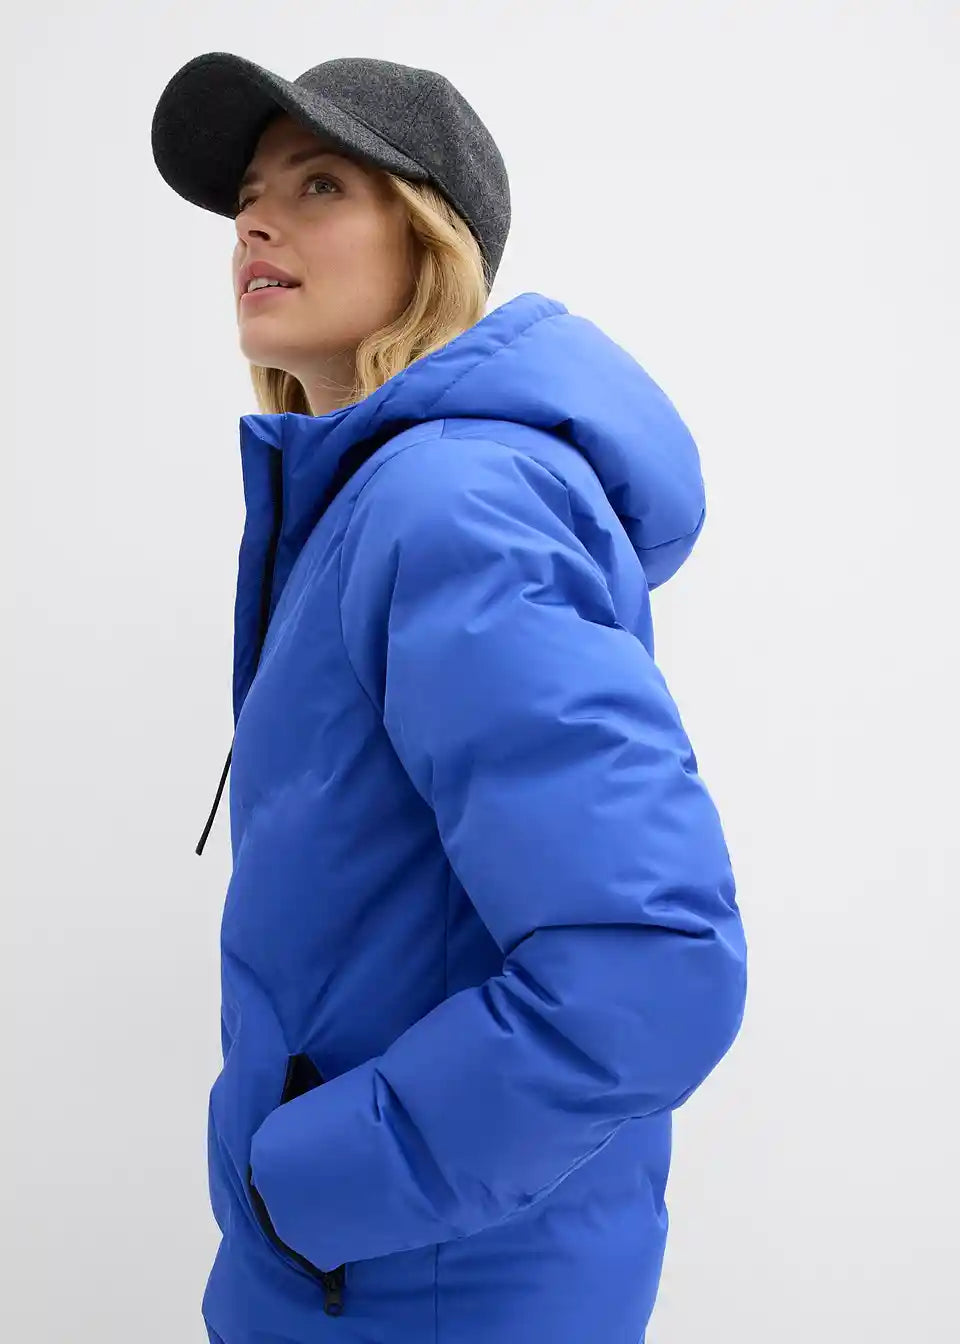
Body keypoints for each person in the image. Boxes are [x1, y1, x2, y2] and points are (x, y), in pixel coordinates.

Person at [151, 52, 748, 1344]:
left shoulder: (449, 505)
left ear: (433, 238)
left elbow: (652, 968)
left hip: (427, 1291)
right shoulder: (367, 507)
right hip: (356, 1279)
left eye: (320, 185)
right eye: (248, 199)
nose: (256, 225)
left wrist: (311, 1187)